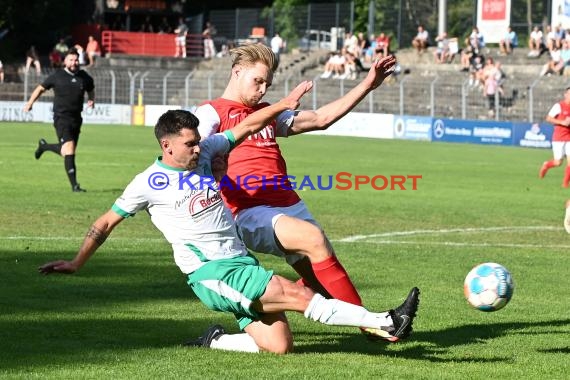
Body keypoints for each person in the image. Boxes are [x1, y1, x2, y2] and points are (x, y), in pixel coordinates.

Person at [37, 103, 420, 354]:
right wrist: (77, 262)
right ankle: (386, 321)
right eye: (189, 144)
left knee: (279, 344)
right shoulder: (148, 182)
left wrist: (283, 105)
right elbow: (105, 223)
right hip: (212, 273)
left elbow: (249, 125)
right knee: (297, 294)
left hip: (241, 263)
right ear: (167, 146)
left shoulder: (203, 157)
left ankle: (215, 340)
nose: (198, 148)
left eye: (199, 141)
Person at [194, 43, 405, 341]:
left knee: (319, 277)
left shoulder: (266, 112)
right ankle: (375, 325)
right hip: (249, 211)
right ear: (237, 72)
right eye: (258, 81)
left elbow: (319, 119)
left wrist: (369, 84)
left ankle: (370, 327)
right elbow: (190, 147)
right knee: (313, 240)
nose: (263, 89)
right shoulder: (211, 112)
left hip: (289, 205)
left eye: (267, 84)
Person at [23, 49, 95, 192]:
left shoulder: (84, 77)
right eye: (71, 60)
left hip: (76, 119)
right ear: (65, 61)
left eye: (76, 60)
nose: (74, 63)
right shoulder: (57, 76)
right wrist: (30, 103)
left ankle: (44, 146)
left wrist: (92, 99)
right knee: (69, 149)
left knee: (67, 151)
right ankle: (75, 186)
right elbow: (40, 89)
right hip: (61, 117)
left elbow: (91, 89)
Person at [539, 87, 570, 187]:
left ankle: (565, 184)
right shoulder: (559, 106)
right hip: (559, 138)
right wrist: (562, 122)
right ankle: (546, 165)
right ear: (565, 94)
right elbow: (548, 118)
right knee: (558, 162)